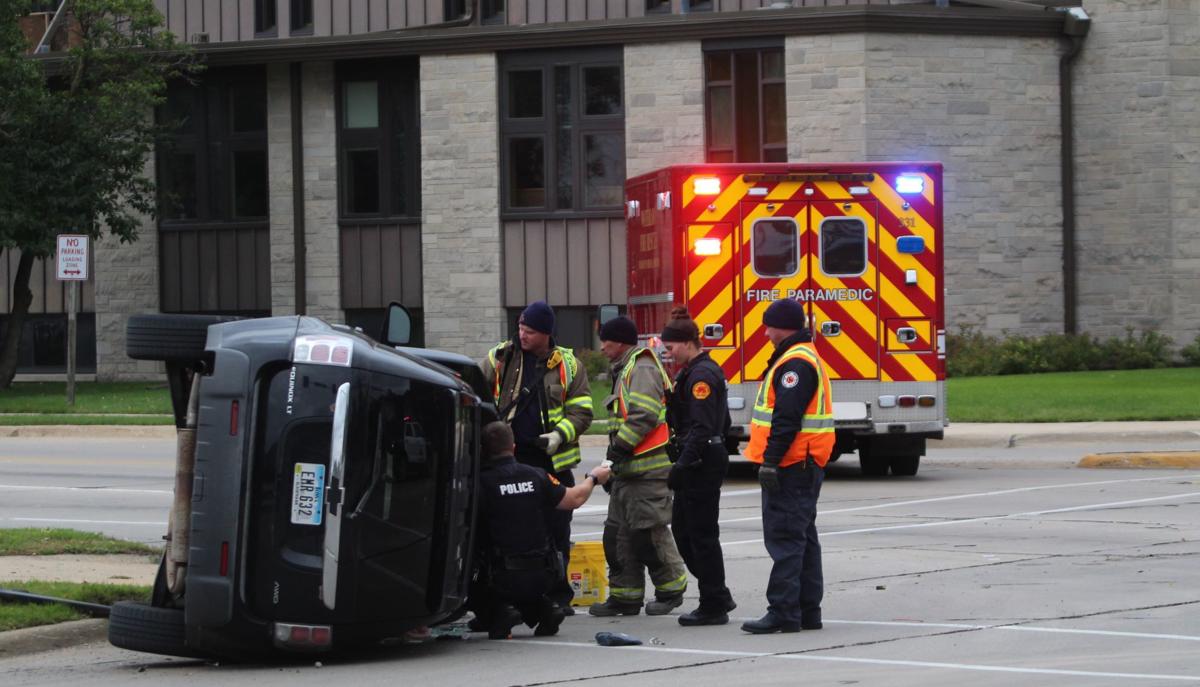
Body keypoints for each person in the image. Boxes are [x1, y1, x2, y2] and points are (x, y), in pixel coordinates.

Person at [480, 301, 593, 610]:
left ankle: (558, 597)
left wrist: (558, 436)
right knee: (506, 531)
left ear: (546, 333)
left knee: (557, 529)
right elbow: (476, 392)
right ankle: (505, 597)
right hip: (508, 460)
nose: (522, 334)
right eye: (520, 328)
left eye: (529, 331)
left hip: (550, 460)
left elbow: (582, 412)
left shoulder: (569, 365)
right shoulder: (500, 357)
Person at [741, 298, 834, 634]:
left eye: (769, 326)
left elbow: (786, 418)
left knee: (785, 540)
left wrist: (771, 461)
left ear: (784, 327)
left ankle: (783, 612)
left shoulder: (795, 364)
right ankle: (807, 611)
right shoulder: (803, 357)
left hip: (792, 464)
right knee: (803, 539)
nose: (766, 333)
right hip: (804, 463)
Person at [473, 421, 611, 639]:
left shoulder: (480, 483)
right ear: (514, 447)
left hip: (500, 576)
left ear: (483, 450)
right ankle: (545, 610)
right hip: (543, 574)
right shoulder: (537, 475)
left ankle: (500, 613)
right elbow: (574, 498)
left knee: (471, 578)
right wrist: (593, 478)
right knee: (523, 584)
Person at [589, 315, 688, 617]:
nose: (602, 347)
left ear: (619, 341)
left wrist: (617, 452)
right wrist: (615, 460)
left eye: (605, 340)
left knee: (648, 534)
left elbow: (643, 416)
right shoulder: (626, 368)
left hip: (647, 471)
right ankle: (625, 596)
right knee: (617, 535)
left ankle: (671, 589)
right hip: (628, 471)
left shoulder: (642, 367)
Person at [660, 307, 736, 626]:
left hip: (701, 462)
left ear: (688, 343)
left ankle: (713, 602)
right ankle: (716, 592)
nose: (668, 352)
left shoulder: (702, 376)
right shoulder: (693, 372)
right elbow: (724, 421)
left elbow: (703, 428)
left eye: (671, 347)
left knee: (701, 535)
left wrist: (684, 462)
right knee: (684, 531)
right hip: (699, 459)